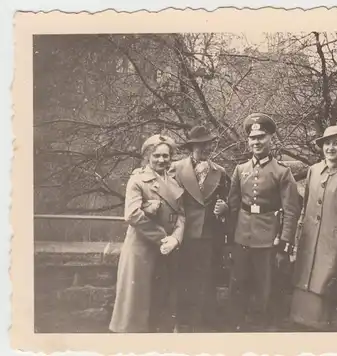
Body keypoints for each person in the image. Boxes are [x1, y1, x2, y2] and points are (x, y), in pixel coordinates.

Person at [227, 113, 301, 331]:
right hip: (242, 236)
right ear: (248, 141)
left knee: (266, 289)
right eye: (252, 138)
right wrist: (230, 238)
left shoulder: (282, 172)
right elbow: (233, 206)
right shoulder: (240, 170)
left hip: (268, 239)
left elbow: (291, 210)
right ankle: (236, 328)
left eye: (261, 137)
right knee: (238, 285)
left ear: (271, 139)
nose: (256, 142)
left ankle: (263, 332)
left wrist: (285, 242)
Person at [290, 125, 337, 331]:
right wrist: (298, 237)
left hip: (333, 242)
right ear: (322, 147)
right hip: (309, 237)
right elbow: (305, 207)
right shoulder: (313, 170)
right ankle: (300, 323)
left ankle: (322, 328)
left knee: (326, 281)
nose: (331, 148)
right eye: (327, 144)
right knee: (305, 276)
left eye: (336, 143)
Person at [109, 134, 185, 333]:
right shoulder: (138, 181)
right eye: (156, 156)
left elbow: (181, 215)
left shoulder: (175, 182)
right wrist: (163, 238)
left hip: (167, 250)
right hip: (142, 249)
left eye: (166, 156)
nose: (161, 160)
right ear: (148, 157)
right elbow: (133, 215)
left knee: (161, 305)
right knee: (135, 308)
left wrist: (176, 238)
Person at [168, 125, 231, 332]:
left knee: (205, 281)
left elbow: (229, 200)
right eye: (201, 145)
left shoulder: (220, 172)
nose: (206, 148)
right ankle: (180, 323)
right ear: (191, 147)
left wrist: (225, 208)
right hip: (182, 234)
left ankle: (200, 325)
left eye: (209, 144)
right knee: (181, 278)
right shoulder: (175, 169)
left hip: (208, 236)